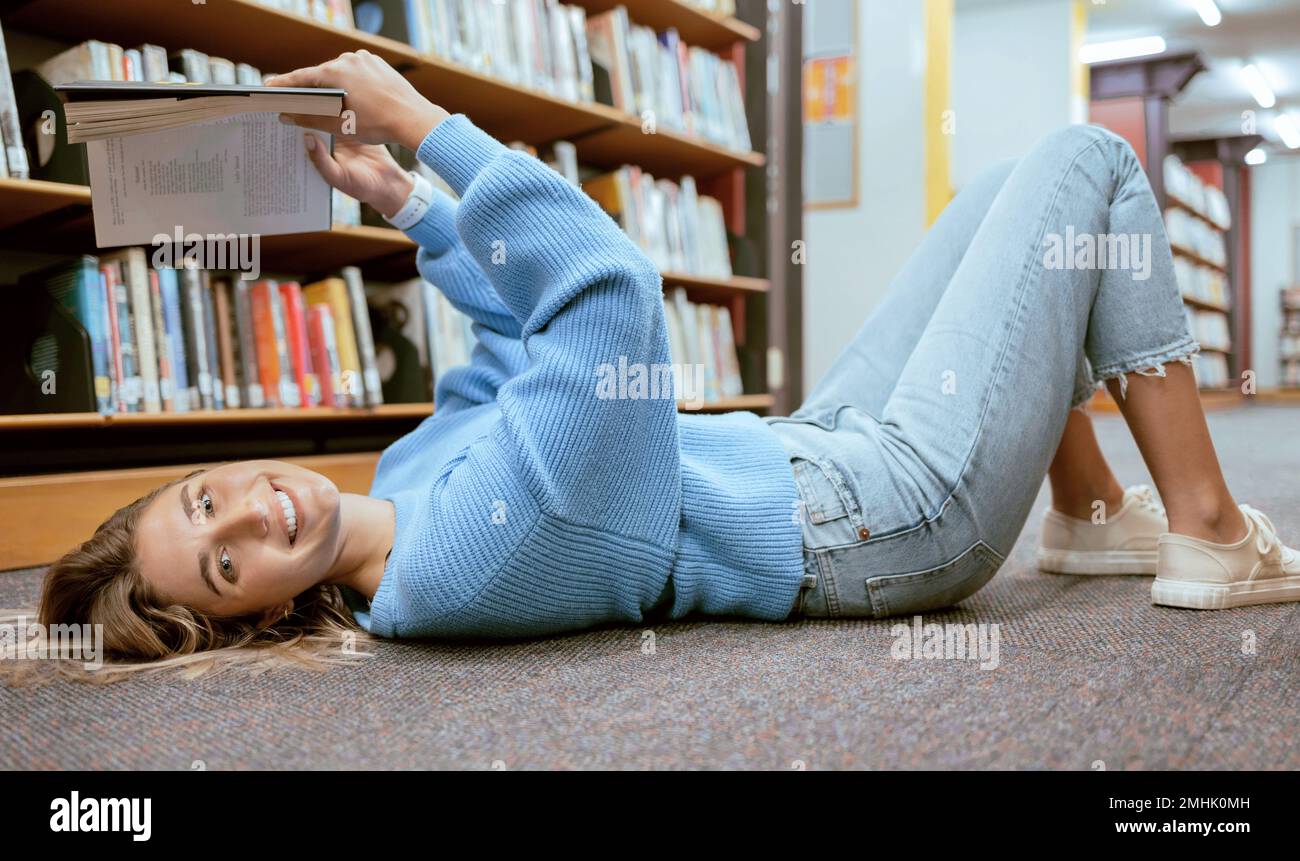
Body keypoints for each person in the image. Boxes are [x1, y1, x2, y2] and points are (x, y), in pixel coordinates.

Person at [28, 51, 1299, 677]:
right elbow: (606, 305)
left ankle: (1084, 514)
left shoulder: (403, 484)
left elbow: (511, 348)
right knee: (1088, 168)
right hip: (889, 522)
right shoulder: (454, 564)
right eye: (228, 562)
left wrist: (412, 207)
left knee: (997, 204)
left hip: (813, 450)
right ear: (249, 617)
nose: (255, 511)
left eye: (207, 500)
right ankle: (1206, 529)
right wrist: (436, 129)